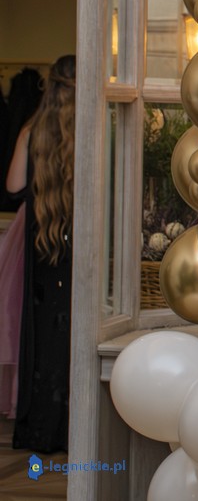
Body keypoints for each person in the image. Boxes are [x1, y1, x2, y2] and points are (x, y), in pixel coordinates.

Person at [5, 54, 75, 453]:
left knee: (43, 337)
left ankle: (42, 429)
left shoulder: (32, 130)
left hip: (42, 245)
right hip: (79, 246)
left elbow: (14, 186)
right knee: (76, 336)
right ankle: (73, 427)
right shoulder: (94, 128)